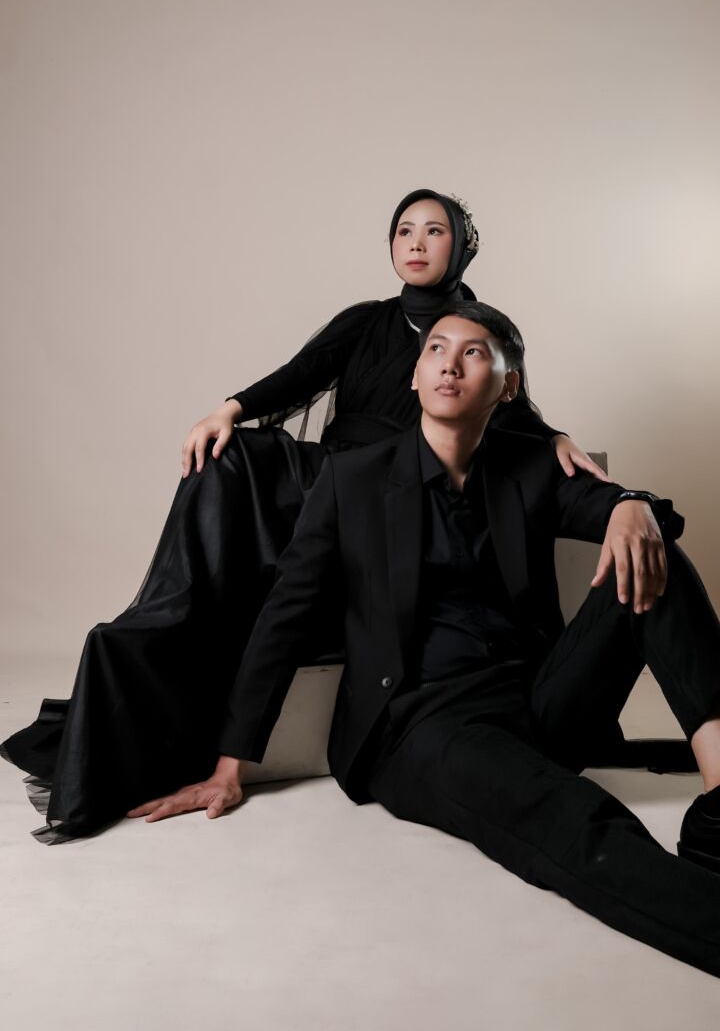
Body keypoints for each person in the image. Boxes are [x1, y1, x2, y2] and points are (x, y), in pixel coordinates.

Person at [128, 301, 720, 979]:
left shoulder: (530, 466)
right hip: (420, 723)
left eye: (474, 352)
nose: (449, 363)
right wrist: (231, 764)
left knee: (654, 557)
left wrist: (633, 505)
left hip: (538, 704)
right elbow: (286, 617)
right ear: (415, 376)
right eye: (436, 349)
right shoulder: (353, 480)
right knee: (562, 810)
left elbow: (619, 512)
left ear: (508, 386)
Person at [1, 189, 603, 843]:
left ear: (461, 246)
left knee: (327, 518)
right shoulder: (365, 320)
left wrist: (555, 439)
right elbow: (299, 375)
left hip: (392, 486)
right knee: (230, 456)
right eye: (404, 230)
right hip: (331, 472)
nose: (417, 243)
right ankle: (174, 608)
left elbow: (510, 405)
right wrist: (228, 409)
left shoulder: (472, 332)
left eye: (435, 231)